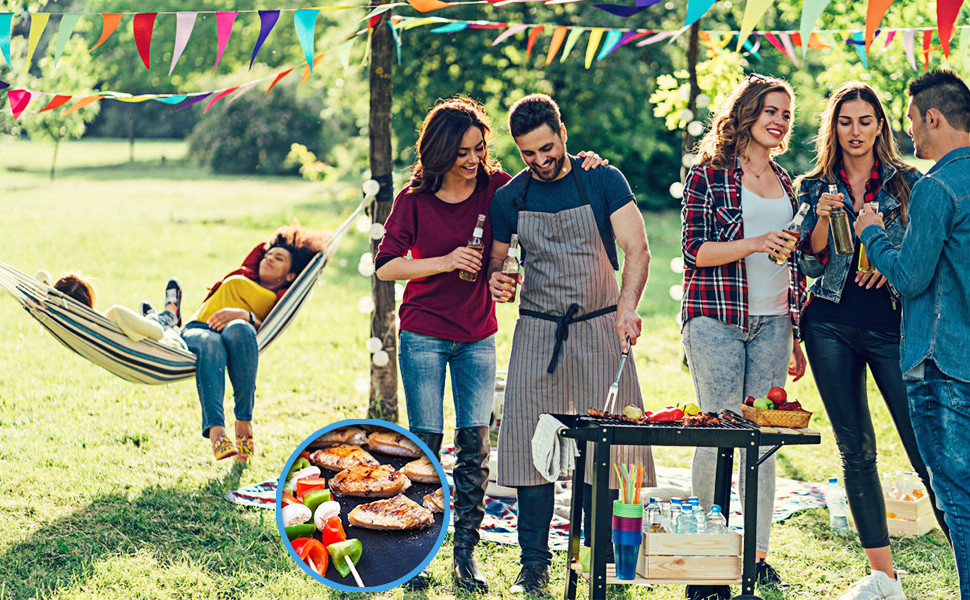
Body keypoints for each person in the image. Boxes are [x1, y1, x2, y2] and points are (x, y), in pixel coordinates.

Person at [375, 97, 606, 593]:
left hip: (477, 334)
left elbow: (550, 181)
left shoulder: (499, 189)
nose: (472, 159)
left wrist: (591, 162)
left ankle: (464, 556)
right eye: (461, 151)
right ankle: (415, 551)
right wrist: (444, 261)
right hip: (423, 333)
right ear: (438, 152)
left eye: (479, 148)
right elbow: (387, 265)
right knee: (426, 445)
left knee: (475, 448)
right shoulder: (413, 201)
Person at [487, 93, 655, 595]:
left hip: (602, 324)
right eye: (528, 154)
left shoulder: (602, 178)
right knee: (527, 447)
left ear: (562, 133)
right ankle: (534, 566)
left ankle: (602, 559)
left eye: (547, 148)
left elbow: (638, 249)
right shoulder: (510, 199)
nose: (540, 161)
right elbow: (498, 264)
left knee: (611, 444)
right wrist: (499, 280)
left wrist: (627, 308)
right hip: (538, 329)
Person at [796, 81, 947, 600]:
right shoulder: (814, 185)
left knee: (923, 445)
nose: (855, 131)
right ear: (833, 128)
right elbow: (811, 263)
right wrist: (821, 219)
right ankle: (885, 579)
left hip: (891, 326)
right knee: (855, 448)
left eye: (865, 121)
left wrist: (887, 260)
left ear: (881, 125)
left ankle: (962, 558)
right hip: (829, 324)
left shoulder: (910, 183)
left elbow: (919, 261)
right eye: (845, 121)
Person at [680, 73, 806, 600]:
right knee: (716, 433)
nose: (779, 121)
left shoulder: (786, 180)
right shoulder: (708, 175)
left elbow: (794, 262)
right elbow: (696, 252)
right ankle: (707, 557)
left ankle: (754, 556)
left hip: (774, 322)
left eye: (785, 113)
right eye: (770, 111)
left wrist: (795, 331)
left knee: (764, 441)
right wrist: (754, 242)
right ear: (747, 113)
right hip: (715, 318)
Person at [854, 68, 970, 600]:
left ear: (934, 117)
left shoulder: (937, 185)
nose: (908, 137)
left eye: (910, 123)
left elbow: (908, 277)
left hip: (941, 365)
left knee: (957, 502)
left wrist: (871, 233)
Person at [182, 223, 329, 463]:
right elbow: (261, 248)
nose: (268, 258)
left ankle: (244, 422)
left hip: (237, 333)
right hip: (199, 330)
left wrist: (245, 316)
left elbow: (264, 325)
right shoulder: (246, 276)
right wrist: (276, 247)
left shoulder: (279, 301)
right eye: (268, 256)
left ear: (290, 276)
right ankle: (217, 432)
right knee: (212, 344)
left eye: (278, 258)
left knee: (242, 329)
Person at [49, 272, 187, 352]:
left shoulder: (71, 330)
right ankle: (167, 315)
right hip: (170, 344)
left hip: (145, 346)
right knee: (159, 323)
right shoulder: (116, 314)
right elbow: (159, 333)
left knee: (149, 322)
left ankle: (154, 317)